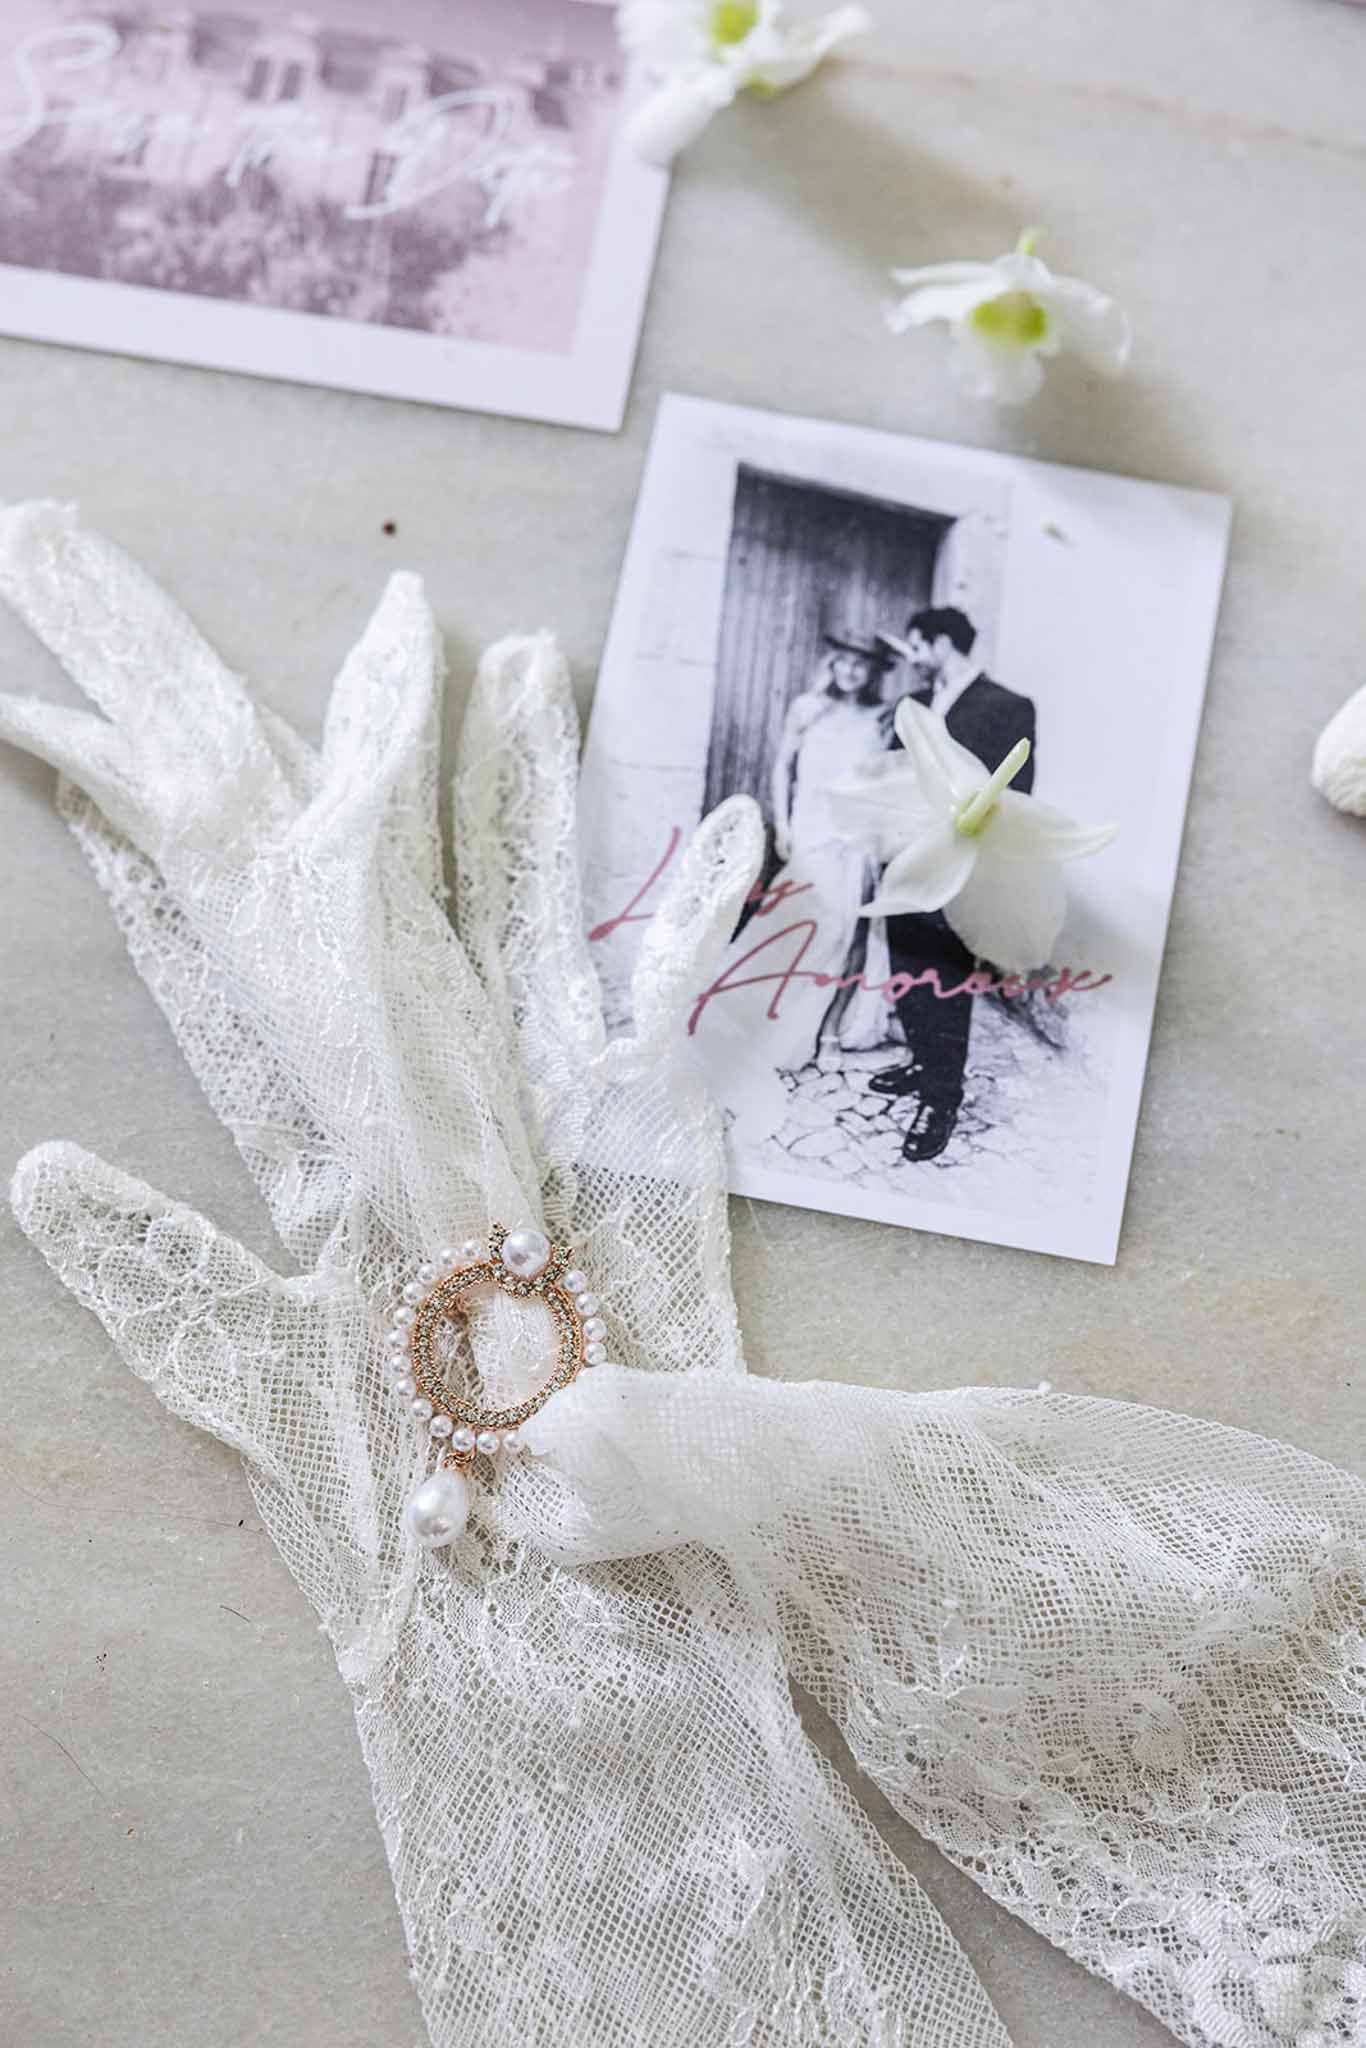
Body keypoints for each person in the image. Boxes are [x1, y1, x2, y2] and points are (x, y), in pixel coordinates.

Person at [696, 629, 896, 1140]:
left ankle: (812, 1033)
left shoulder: (879, 718)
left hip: (851, 839)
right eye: (845, 661)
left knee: (839, 934)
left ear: (875, 672)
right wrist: (783, 824)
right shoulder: (808, 708)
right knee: (791, 923)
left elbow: (884, 782)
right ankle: (747, 1016)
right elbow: (783, 766)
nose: (851, 671)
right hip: (808, 833)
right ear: (833, 663)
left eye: (862, 665)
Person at [869, 605, 1037, 1163]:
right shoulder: (916, 703)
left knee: (946, 978)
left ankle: (942, 1099)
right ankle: (922, 1062)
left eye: (918, 647)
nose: (913, 659)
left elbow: (1016, 795)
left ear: (942, 643)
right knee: (905, 967)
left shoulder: (1008, 706)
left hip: (959, 866)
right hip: (904, 859)